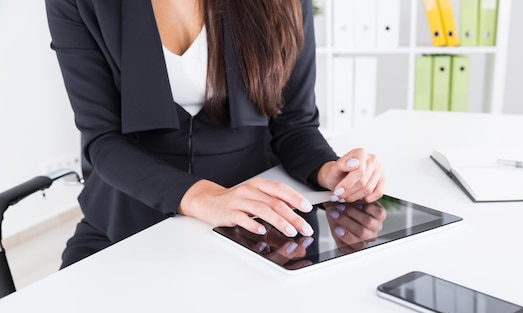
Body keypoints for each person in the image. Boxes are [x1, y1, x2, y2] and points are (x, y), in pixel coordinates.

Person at [45, 0, 385, 268]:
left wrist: (329, 169)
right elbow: (103, 140)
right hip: (124, 220)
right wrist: (205, 198)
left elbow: (294, 124)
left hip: (254, 228)